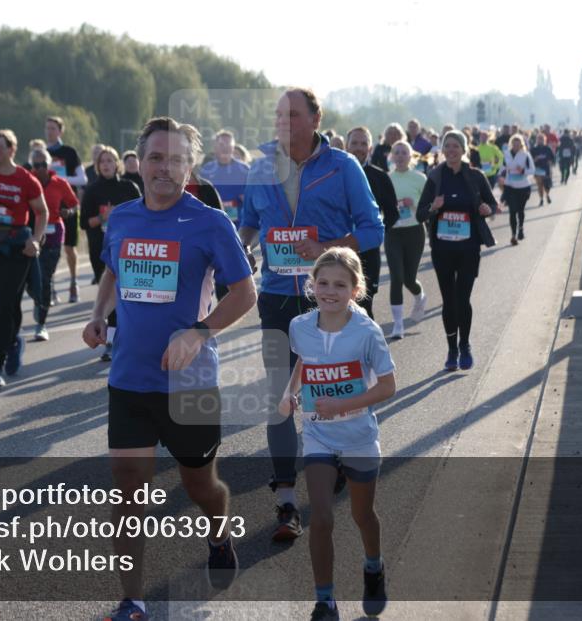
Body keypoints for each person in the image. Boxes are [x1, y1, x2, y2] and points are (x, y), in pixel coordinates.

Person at [81, 117, 256, 621]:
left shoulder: (209, 222)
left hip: (190, 383)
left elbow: (244, 292)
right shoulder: (123, 218)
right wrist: (98, 315)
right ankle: (132, 600)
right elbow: (113, 267)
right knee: (128, 490)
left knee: (201, 487)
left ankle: (219, 534)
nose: (163, 168)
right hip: (130, 380)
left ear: (189, 165)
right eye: (155, 158)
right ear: (139, 162)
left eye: (175, 159)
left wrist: (199, 332)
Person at [238, 88, 383, 542]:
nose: (284, 121)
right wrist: (241, 246)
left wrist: (327, 250)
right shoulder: (261, 168)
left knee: (331, 390)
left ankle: (337, 460)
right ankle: (285, 501)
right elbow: (248, 219)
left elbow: (372, 227)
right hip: (278, 296)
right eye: (279, 114)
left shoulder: (343, 167)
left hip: (328, 300)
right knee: (279, 398)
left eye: (294, 114)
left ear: (316, 118)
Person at [278, 248, 395, 620]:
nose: (330, 291)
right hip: (318, 435)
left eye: (340, 285)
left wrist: (343, 406)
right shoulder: (299, 326)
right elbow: (303, 362)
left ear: (355, 289)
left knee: (363, 515)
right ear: (312, 284)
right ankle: (325, 601)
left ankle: (373, 568)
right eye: (323, 283)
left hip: (359, 435)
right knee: (322, 517)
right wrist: (289, 392)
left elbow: (389, 386)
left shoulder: (367, 333)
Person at [0, 129, 48, 389]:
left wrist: (35, 240)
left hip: (16, 250)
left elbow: (41, 212)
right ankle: (14, 341)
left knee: (3, 305)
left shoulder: (26, 180)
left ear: (12, 150)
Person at [416, 130, 496, 372]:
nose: (451, 150)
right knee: (449, 300)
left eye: (455, 146)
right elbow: (420, 214)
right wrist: (433, 207)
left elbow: (492, 205)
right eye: (447, 146)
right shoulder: (435, 176)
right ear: (443, 150)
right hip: (442, 249)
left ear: (463, 149)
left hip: (468, 247)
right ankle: (452, 349)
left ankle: (465, 345)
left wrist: (486, 209)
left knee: (463, 298)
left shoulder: (475, 176)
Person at [80, 145, 141, 361]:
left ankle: (124, 338)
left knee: (127, 295)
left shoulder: (130, 187)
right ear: (97, 166)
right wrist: (106, 217)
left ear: (117, 163)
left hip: (131, 248)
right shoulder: (92, 190)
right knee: (110, 297)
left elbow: (144, 215)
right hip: (102, 247)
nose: (106, 165)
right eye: (102, 162)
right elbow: (84, 222)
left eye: (110, 161)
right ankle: (111, 341)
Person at [345, 126, 399, 319]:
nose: (359, 148)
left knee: (364, 308)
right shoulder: (333, 174)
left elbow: (392, 214)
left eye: (363, 143)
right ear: (346, 145)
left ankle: (368, 349)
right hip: (337, 252)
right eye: (354, 143)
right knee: (338, 308)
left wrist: (375, 230)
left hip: (368, 253)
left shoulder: (380, 177)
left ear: (370, 148)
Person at [27, 148, 78, 342]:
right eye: (35, 165)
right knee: (30, 281)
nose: (39, 168)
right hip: (31, 234)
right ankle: (37, 298)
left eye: (43, 165)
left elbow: (74, 204)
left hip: (54, 234)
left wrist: (69, 213)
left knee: (45, 277)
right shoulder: (27, 182)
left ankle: (41, 324)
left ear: (49, 165)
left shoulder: (60, 183)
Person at [385, 140, 428, 339]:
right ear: (392, 157)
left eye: (404, 153)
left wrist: (414, 203)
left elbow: (428, 207)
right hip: (393, 232)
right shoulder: (386, 179)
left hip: (414, 232)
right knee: (396, 277)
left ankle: (419, 296)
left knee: (409, 279)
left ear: (411, 157)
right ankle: (398, 325)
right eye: (397, 152)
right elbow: (378, 205)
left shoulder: (420, 178)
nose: (400, 156)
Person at [44, 117, 87, 303]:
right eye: (47, 128)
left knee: (69, 248)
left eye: (53, 128)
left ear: (60, 131)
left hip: (68, 207)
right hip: (48, 208)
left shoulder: (69, 152)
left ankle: (73, 282)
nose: (49, 132)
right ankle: (50, 286)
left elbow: (83, 179)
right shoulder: (42, 154)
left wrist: (61, 182)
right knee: (48, 249)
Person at [200, 130, 250, 227]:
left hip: (239, 225)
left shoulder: (244, 169)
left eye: (229, 144)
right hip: (214, 223)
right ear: (215, 148)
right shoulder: (206, 170)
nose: (225, 148)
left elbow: (252, 201)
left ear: (233, 147)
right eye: (222, 144)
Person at [499, 134, 535, 244]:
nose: (515, 145)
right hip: (510, 187)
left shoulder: (525, 155)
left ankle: (521, 229)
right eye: (514, 143)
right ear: (511, 144)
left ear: (521, 144)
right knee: (512, 211)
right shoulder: (506, 154)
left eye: (518, 143)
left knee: (520, 210)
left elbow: (532, 170)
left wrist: (523, 171)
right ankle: (513, 235)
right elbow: (502, 168)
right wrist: (501, 175)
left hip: (523, 187)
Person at [530, 134, 555, 206]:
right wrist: (535, 159)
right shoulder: (533, 149)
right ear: (536, 140)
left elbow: (553, 158)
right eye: (539, 139)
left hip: (546, 168)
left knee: (547, 185)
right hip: (537, 169)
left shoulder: (547, 148)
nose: (540, 140)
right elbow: (529, 160)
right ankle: (541, 199)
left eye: (542, 139)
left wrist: (550, 162)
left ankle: (547, 195)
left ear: (544, 140)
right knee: (539, 184)